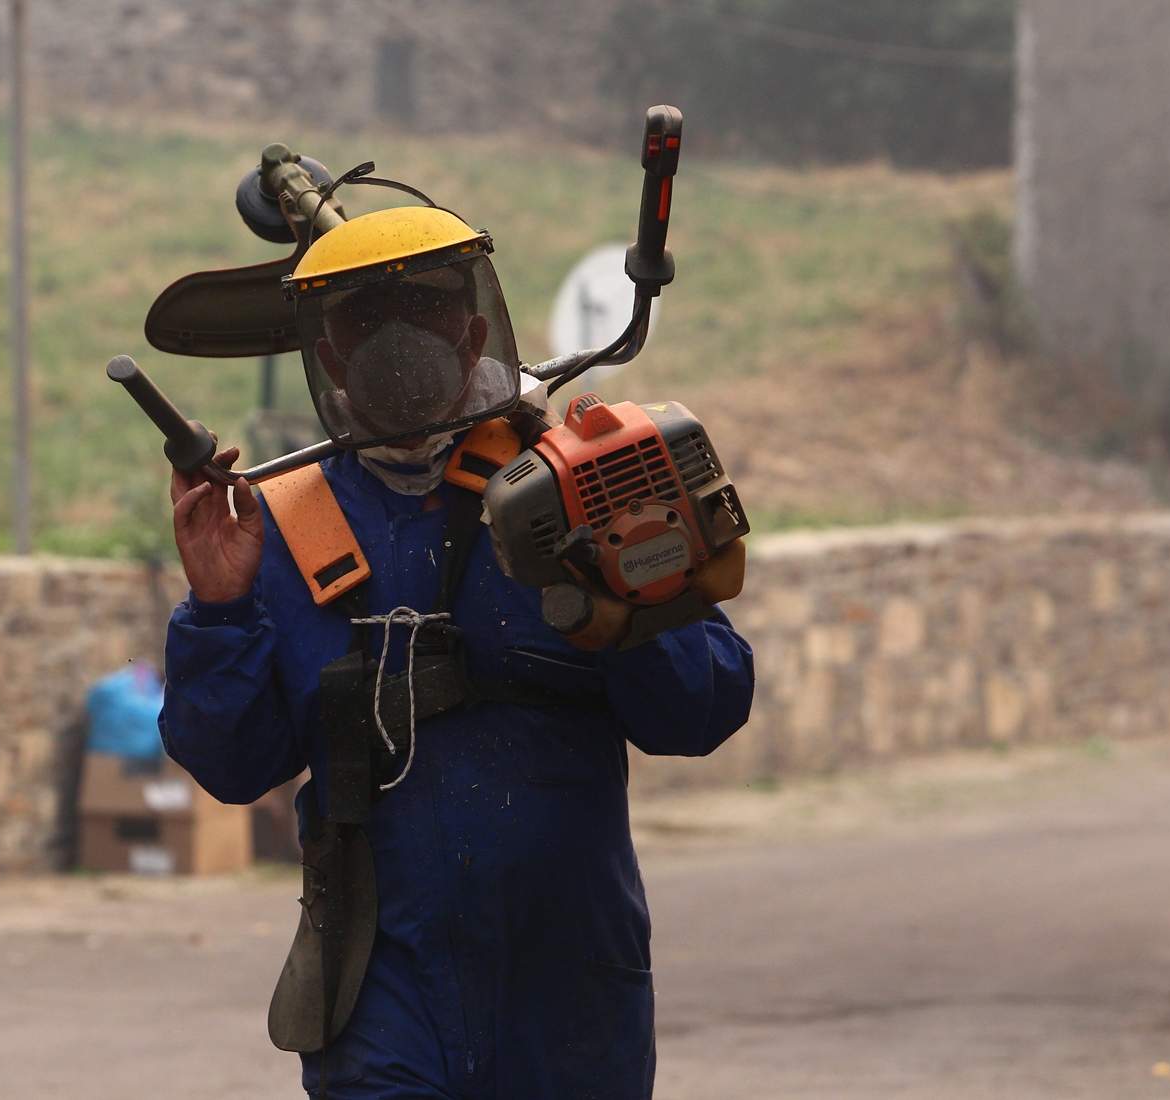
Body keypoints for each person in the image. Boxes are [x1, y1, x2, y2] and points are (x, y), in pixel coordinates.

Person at [160, 203, 754, 1100]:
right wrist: (216, 605)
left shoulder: (576, 481)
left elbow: (700, 714)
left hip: (568, 989)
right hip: (379, 989)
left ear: (475, 324)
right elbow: (233, 767)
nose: (397, 339)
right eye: (362, 320)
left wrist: (635, 580)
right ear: (327, 353)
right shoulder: (284, 526)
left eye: (428, 309)